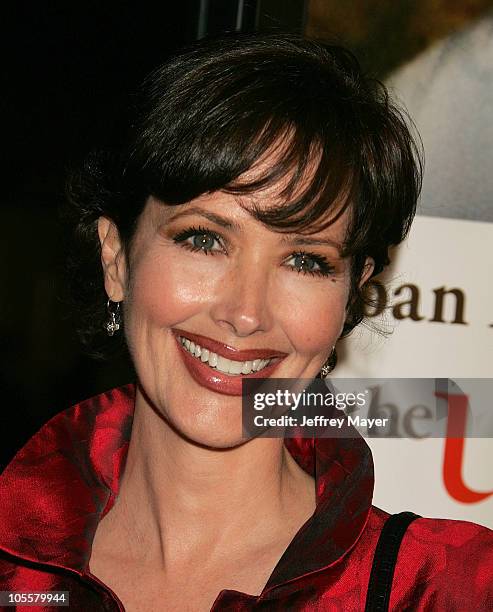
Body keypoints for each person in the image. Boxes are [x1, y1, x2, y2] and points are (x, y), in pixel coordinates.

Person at [0, 33, 492, 612]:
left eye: (306, 261)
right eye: (205, 239)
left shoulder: (448, 589)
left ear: (351, 298)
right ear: (117, 259)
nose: (245, 312)